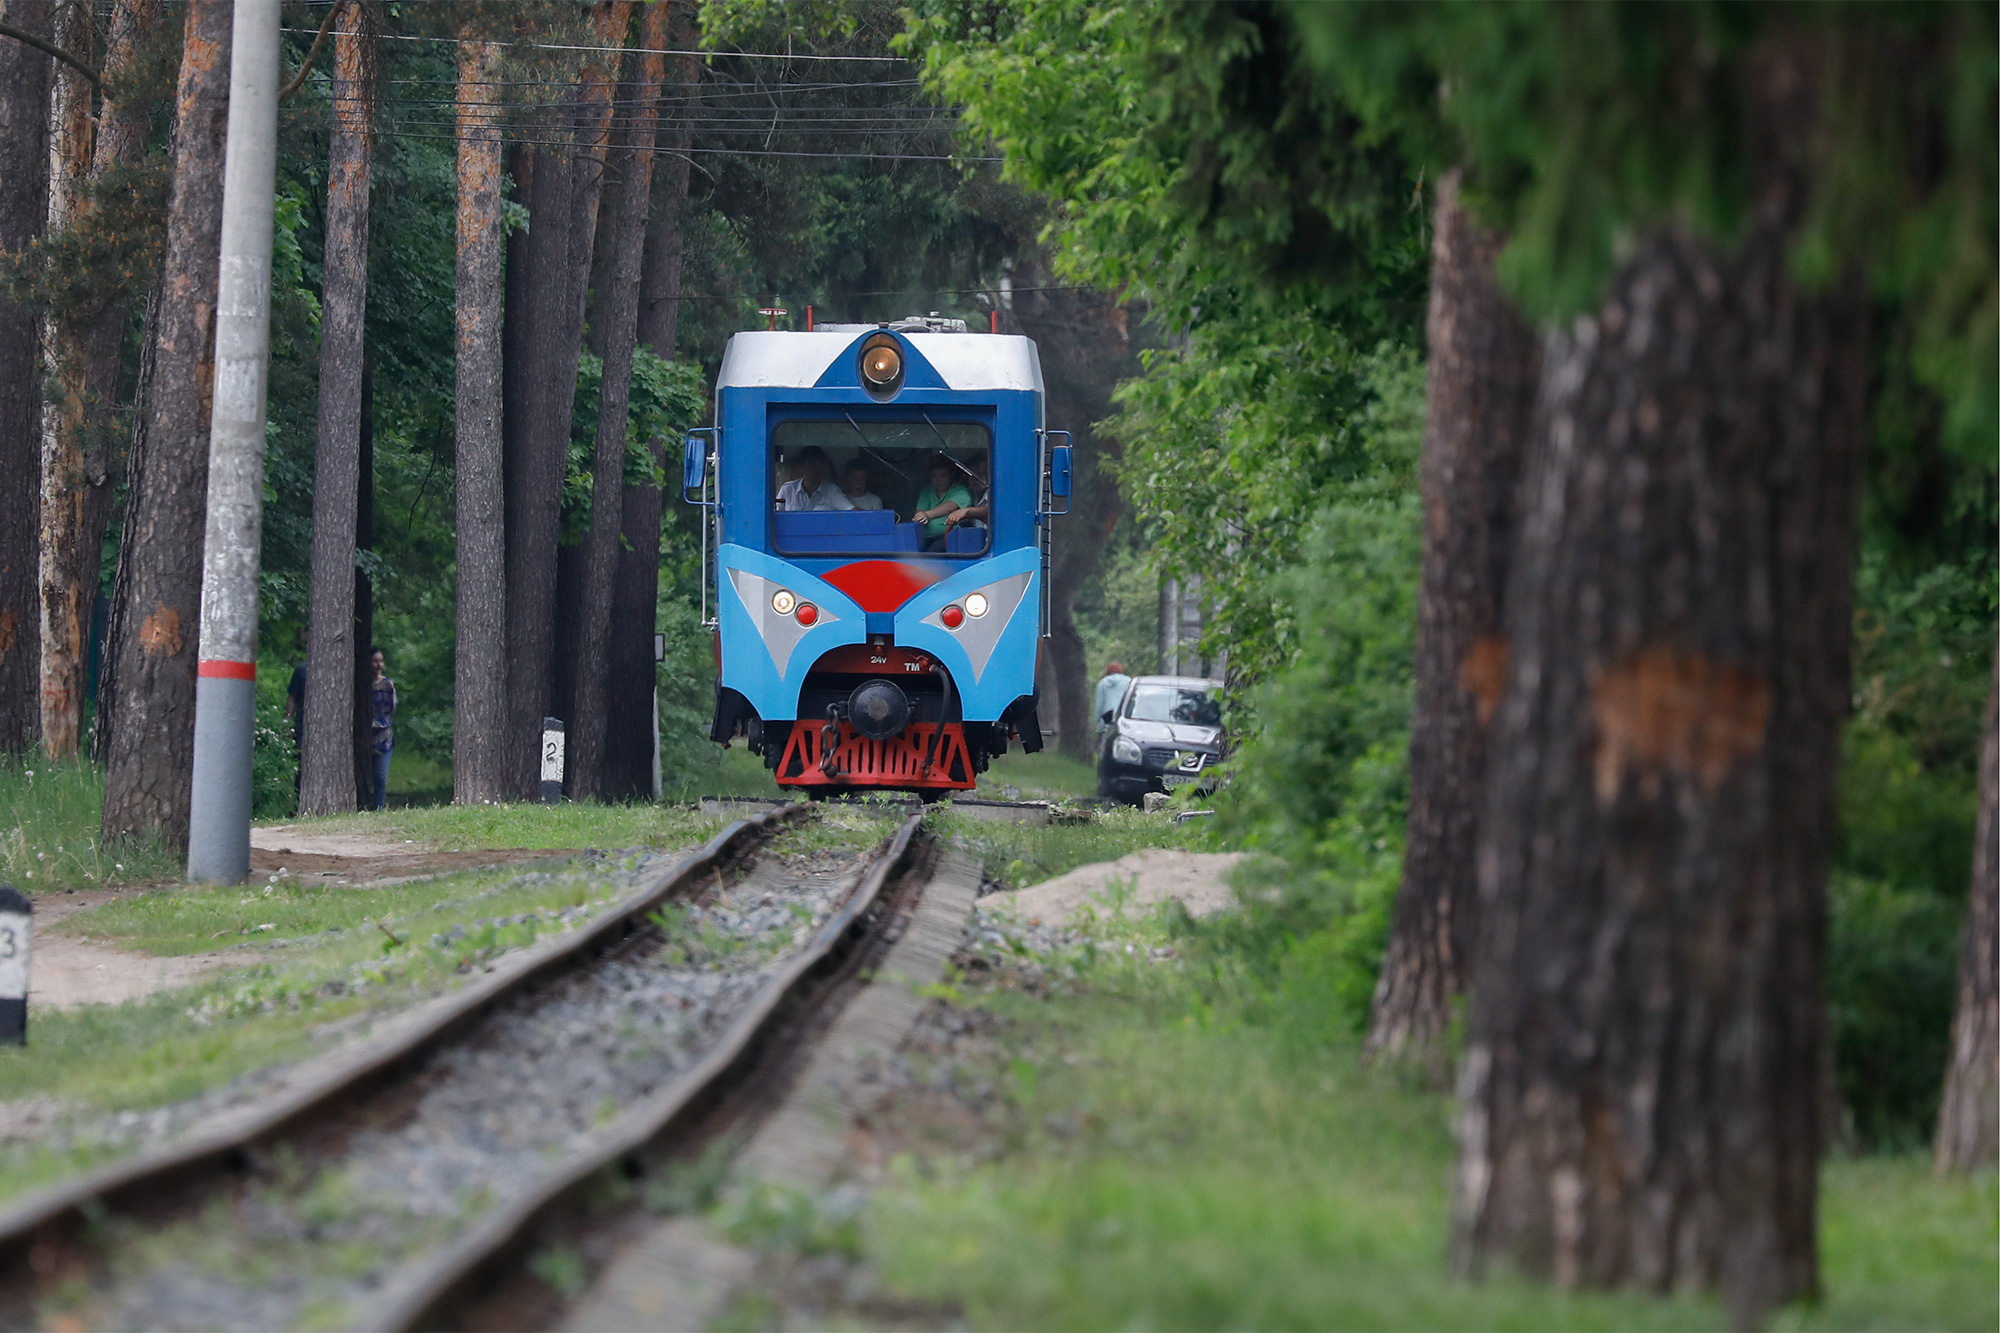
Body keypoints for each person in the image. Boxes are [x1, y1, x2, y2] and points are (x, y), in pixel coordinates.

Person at [912, 453, 972, 551]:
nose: (938, 479)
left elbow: (950, 507)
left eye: (942, 475)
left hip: (950, 536)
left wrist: (927, 515)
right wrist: (919, 516)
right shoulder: (927, 491)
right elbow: (919, 511)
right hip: (925, 537)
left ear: (951, 475)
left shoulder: (961, 491)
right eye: (934, 476)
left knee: (932, 554)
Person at [775, 445, 854, 511]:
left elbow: (853, 512)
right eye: (811, 465)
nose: (815, 470)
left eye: (819, 465)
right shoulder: (788, 489)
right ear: (801, 467)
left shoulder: (832, 491)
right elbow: (774, 515)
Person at [368, 647, 397, 811]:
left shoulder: (387, 685)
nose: (378, 665)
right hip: (364, 738)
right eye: (375, 661)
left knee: (380, 777)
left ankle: (378, 810)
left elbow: (392, 709)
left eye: (381, 661)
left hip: (384, 738)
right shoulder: (360, 686)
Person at [944, 450, 991, 531]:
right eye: (971, 476)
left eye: (979, 474)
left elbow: (994, 510)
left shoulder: (995, 495)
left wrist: (967, 511)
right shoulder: (967, 493)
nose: (976, 480)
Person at [1093, 660, 1132, 736]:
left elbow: (1099, 704)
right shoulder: (1129, 681)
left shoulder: (1102, 683)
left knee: (1104, 741)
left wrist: (1098, 719)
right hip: (1124, 716)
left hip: (1107, 716)